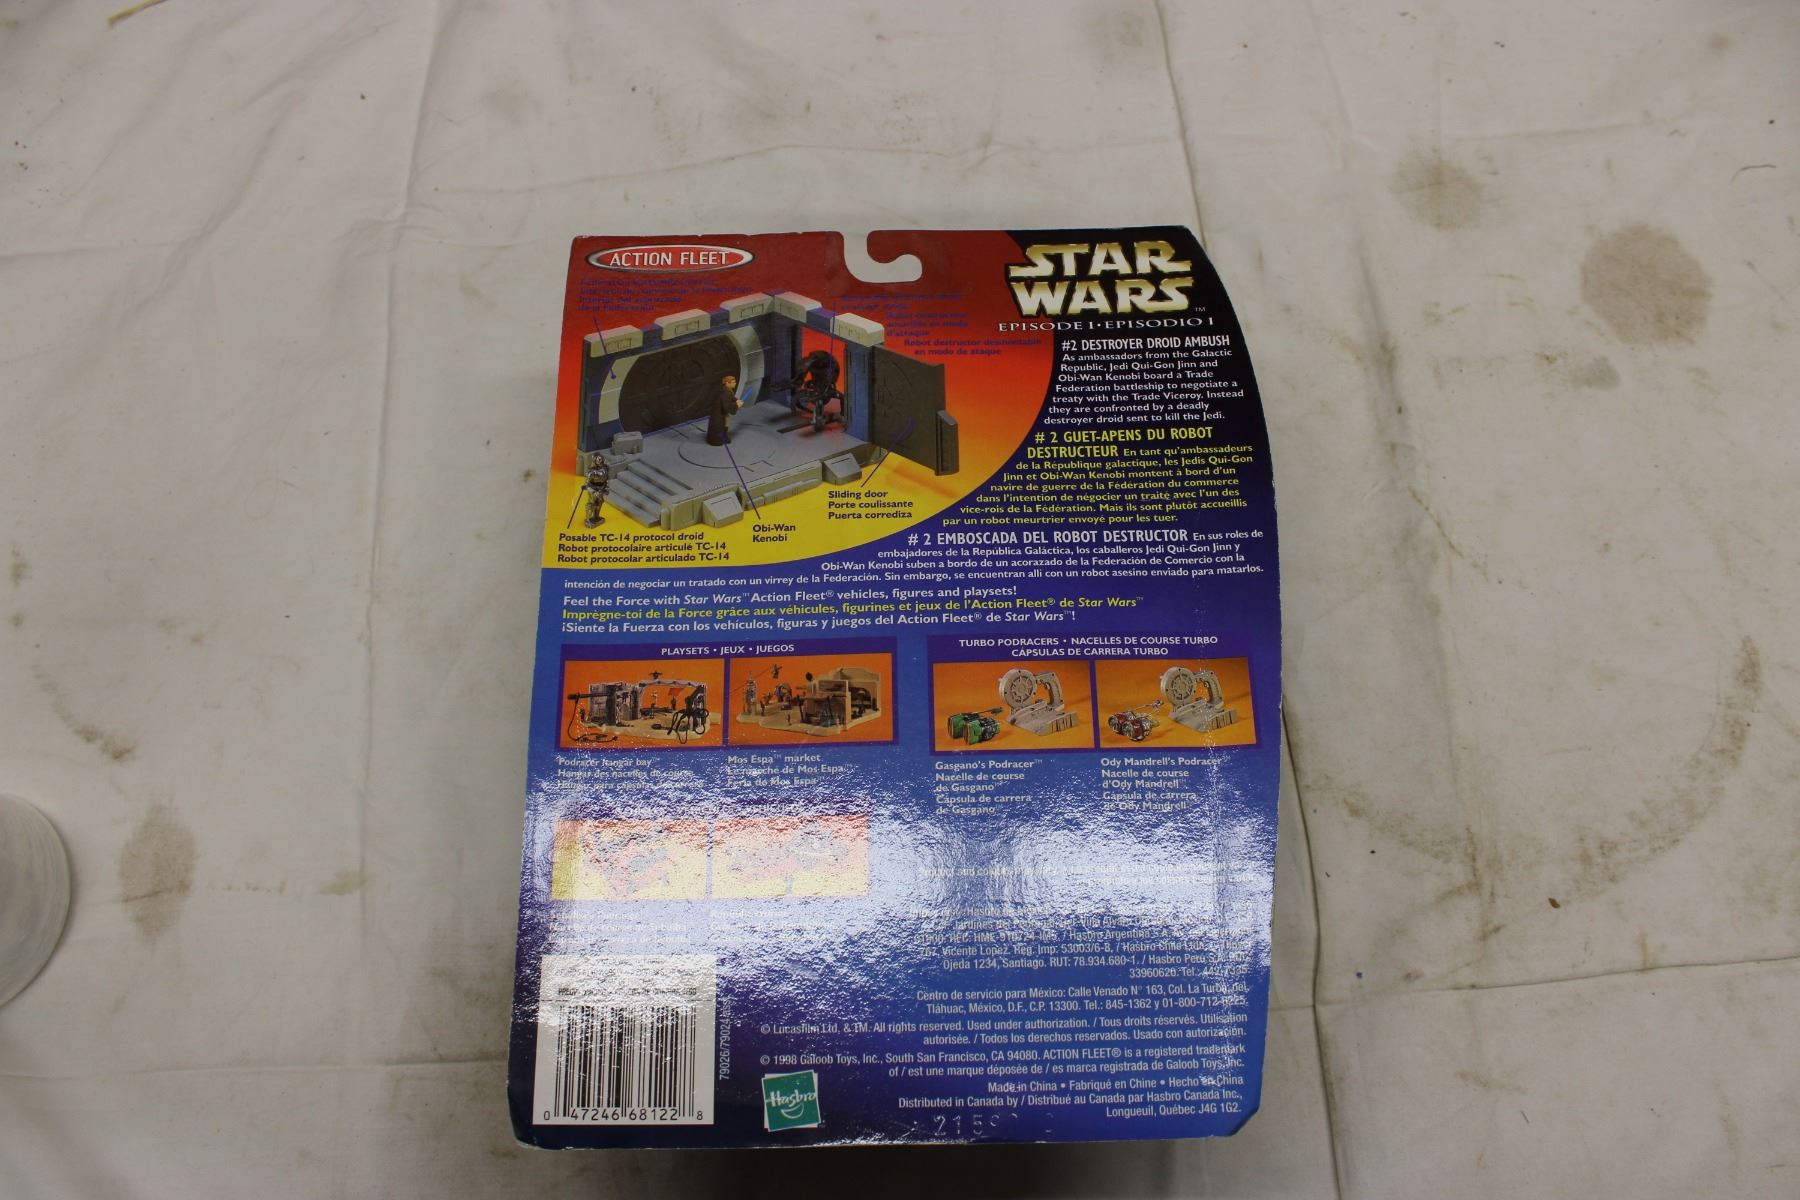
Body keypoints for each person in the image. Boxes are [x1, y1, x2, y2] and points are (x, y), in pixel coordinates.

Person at [706, 373, 740, 446]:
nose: (735, 383)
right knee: (719, 427)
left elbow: (731, 398)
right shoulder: (725, 392)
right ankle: (717, 440)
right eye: (733, 382)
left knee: (725, 425)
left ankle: (724, 437)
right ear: (727, 383)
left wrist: (736, 400)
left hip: (723, 413)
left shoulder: (727, 390)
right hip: (719, 414)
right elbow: (727, 406)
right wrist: (737, 405)